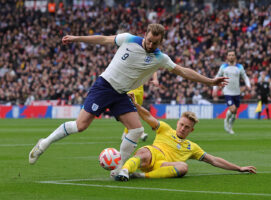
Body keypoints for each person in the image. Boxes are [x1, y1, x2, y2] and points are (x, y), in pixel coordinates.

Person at [29, 24, 228, 177]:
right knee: (80, 126)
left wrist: (210, 81)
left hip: (121, 94)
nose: (150, 45)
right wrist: (76, 38)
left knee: (137, 129)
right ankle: (44, 143)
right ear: (146, 35)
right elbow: (103, 39)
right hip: (104, 86)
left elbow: (183, 71)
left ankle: (120, 169)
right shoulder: (129, 39)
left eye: (155, 43)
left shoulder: (160, 58)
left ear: (160, 42)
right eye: (149, 40)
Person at [115, 94, 256, 181]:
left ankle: (141, 176)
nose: (183, 128)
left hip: (164, 166)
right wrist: (136, 105)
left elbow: (213, 160)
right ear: (178, 123)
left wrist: (239, 168)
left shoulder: (191, 147)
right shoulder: (164, 128)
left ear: (191, 130)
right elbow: (148, 117)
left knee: (183, 167)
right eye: (182, 124)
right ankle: (125, 171)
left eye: (187, 127)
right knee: (144, 152)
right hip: (153, 154)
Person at [213, 50, 251, 134]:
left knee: (235, 112)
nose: (231, 57)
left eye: (232, 55)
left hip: (237, 92)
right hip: (227, 92)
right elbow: (217, 76)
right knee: (232, 109)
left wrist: (248, 85)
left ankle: (230, 127)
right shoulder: (223, 67)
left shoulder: (239, 67)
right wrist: (214, 88)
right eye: (229, 55)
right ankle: (226, 120)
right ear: (227, 57)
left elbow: (245, 77)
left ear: (235, 57)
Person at [121, 73, 159, 142]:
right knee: (134, 112)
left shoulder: (144, 62)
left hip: (140, 90)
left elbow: (154, 69)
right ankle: (141, 133)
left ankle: (125, 134)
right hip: (131, 89)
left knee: (138, 112)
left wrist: (155, 79)